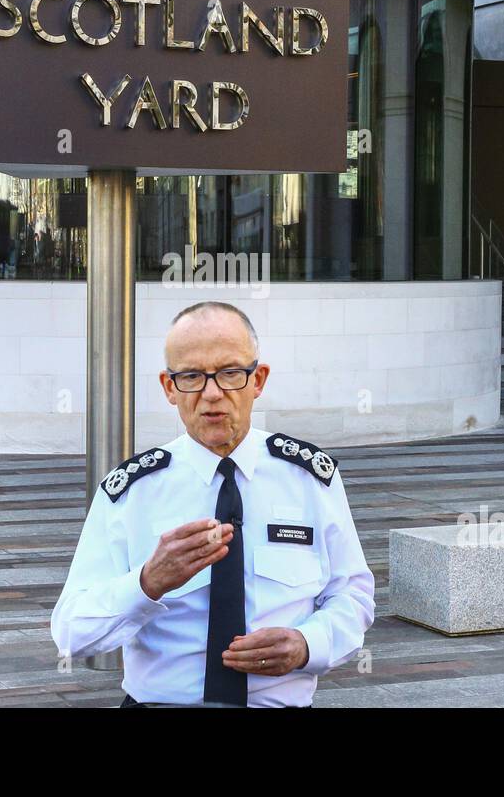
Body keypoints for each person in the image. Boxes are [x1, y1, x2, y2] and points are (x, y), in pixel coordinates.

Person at [50, 300, 375, 707]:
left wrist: (307, 644)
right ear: (169, 388)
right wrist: (147, 582)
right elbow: (70, 633)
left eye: (230, 373)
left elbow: (353, 596)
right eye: (191, 376)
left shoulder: (309, 478)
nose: (212, 394)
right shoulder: (133, 491)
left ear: (259, 380)